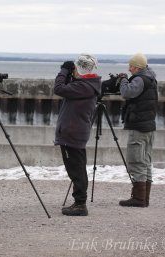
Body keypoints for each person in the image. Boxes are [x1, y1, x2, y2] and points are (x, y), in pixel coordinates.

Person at [54, 54, 101, 216]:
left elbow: (59, 88)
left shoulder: (84, 87)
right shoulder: (87, 84)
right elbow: (67, 88)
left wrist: (63, 71)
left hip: (72, 133)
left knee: (76, 170)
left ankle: (80, 204)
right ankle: (79, 202)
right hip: (76, 131)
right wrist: (69, 73)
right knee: (78, 167)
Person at [118, 53, 158, 207]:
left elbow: (127, 92)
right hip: (149, 126)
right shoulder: (151, 78)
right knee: (146, 161)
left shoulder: (140, 79)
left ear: (138, 67)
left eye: (131, 66)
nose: (129, 69)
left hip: (139, 127)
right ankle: (144, 198)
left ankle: (139, 199)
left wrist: (122, 80)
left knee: (136, 160)